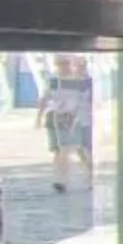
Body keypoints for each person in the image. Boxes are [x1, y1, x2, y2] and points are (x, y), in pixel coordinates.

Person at [40, 55, 91, 195]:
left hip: (79, 118)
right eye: (60, 64)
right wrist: (39, 117)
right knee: (64, 149)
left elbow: (87, 99)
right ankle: (62, 180)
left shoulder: (79, 80)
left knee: (80, 150)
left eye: (66, 63)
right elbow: (46, 97)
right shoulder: (54, 80)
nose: (63, 66)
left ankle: (89, 175)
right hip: (62, 117)